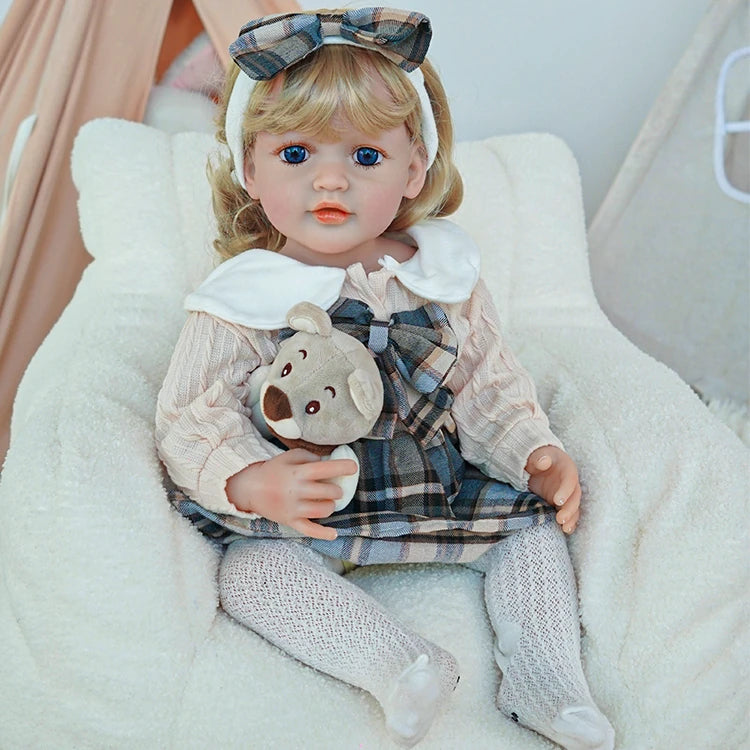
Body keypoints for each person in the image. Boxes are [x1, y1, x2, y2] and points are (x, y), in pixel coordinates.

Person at [155, 8, 614, 748]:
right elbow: (191, 413)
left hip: (428, 482)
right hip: (308, 504)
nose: (330, 179)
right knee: (248, 574)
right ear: (249, 168)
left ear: (414, 169)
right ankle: (401, 664)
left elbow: (487, 387)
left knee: (532, 536)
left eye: (365, 158)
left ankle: (548, 683)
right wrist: (251, 480)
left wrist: (533, 452)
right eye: (296, 153)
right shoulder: (244, 294)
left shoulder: (440, 276)